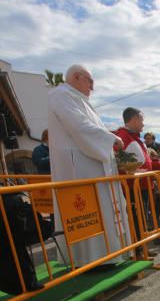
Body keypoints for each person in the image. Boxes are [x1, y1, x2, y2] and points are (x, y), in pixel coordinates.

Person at [48, 64, 131, 267]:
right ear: (77, 77)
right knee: (87, 213)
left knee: (103, 211)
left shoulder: (78, 99)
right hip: (79, 169)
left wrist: (107, 139)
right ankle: (89, 258)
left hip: (92, 166)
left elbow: (91, 127)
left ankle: (108, 254)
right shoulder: (61, 95)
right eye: (90, 81)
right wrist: (111, 138)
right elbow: (79, 126)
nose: (92, 87)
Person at [113, 108, 158, 258]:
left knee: (141, 218)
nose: (143, 125)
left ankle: (142, 247)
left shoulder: (133, 137)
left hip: (142, 185)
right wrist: (132, 172)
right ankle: (137, 250)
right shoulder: (122, 136)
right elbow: (118, 163)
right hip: (132, 187)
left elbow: (144, 160)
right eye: (142, 120)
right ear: (134, 120)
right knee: (135, 219)